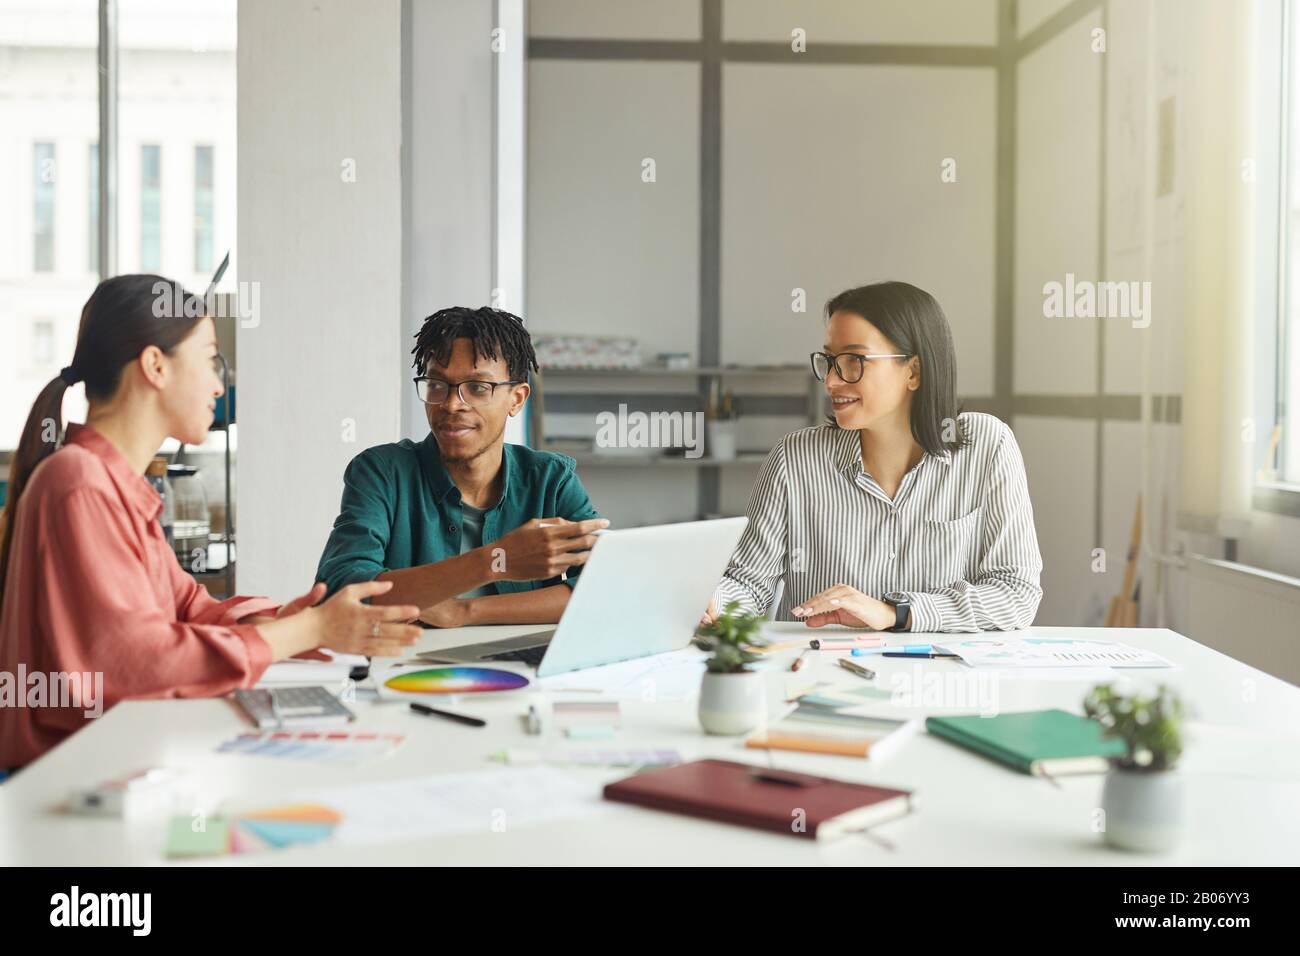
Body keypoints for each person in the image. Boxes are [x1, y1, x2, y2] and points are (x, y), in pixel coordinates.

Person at [0, 275, 421, 769]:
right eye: (210, 359)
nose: (220, 384)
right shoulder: (80, 484)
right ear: (155, 366)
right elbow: (139, 661)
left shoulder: (111, 484)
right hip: (70, 778)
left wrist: (280, 622)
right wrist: (308, 629)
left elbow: (186, 605)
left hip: (111, 760)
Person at [710, 280, 1042, 633]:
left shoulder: (988, 447)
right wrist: (711, 601)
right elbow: (749, 586)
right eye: (830, 361)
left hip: (942, 680)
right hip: (819, 676)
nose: (832, 382)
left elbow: (1016, 594)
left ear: (913, 371)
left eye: (853, 361)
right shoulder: (794, 459)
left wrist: (896, 612)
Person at [316, 306, 607, 627]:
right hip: (409, 666)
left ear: (517, 399)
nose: (452, 404)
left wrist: (463, 612)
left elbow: (606, 587)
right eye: (437, 385)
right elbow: (341, 590)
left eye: (478, 388)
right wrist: (494, 561)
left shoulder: (550, 479)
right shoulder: (381, 472)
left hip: (520, 663)